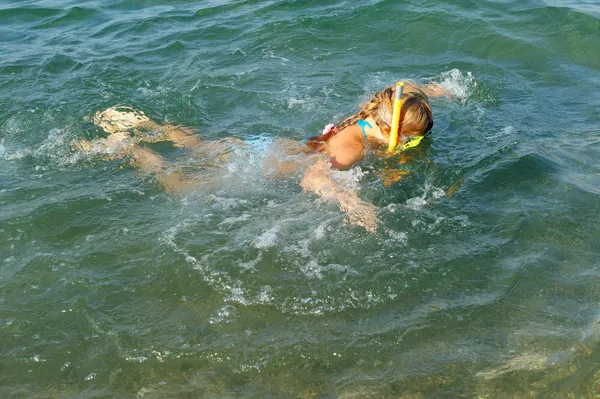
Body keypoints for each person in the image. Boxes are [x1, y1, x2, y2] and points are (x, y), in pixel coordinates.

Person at [74, 81, 449, 230]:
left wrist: (439, 90)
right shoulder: (351, 148)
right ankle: (129, 149)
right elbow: (313, 176)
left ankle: (153, 125)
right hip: (255, 164)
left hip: (261, 145)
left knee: (201, 144)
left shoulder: (368, 117)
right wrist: (349, 201)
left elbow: (401, 91)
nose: (410, 147)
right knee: (179, 186)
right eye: (410, 142)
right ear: (390, 131)